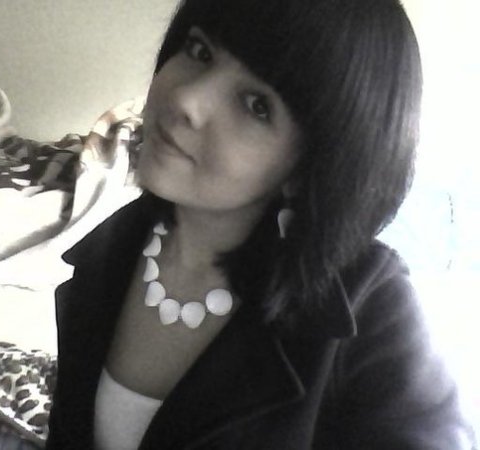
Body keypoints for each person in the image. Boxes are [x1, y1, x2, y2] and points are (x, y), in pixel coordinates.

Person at [46, 0, 473, 448]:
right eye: (200, 51)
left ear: (310, 164)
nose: (187, 100)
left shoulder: (369, 305)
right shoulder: (111, 249)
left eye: (256, 105)